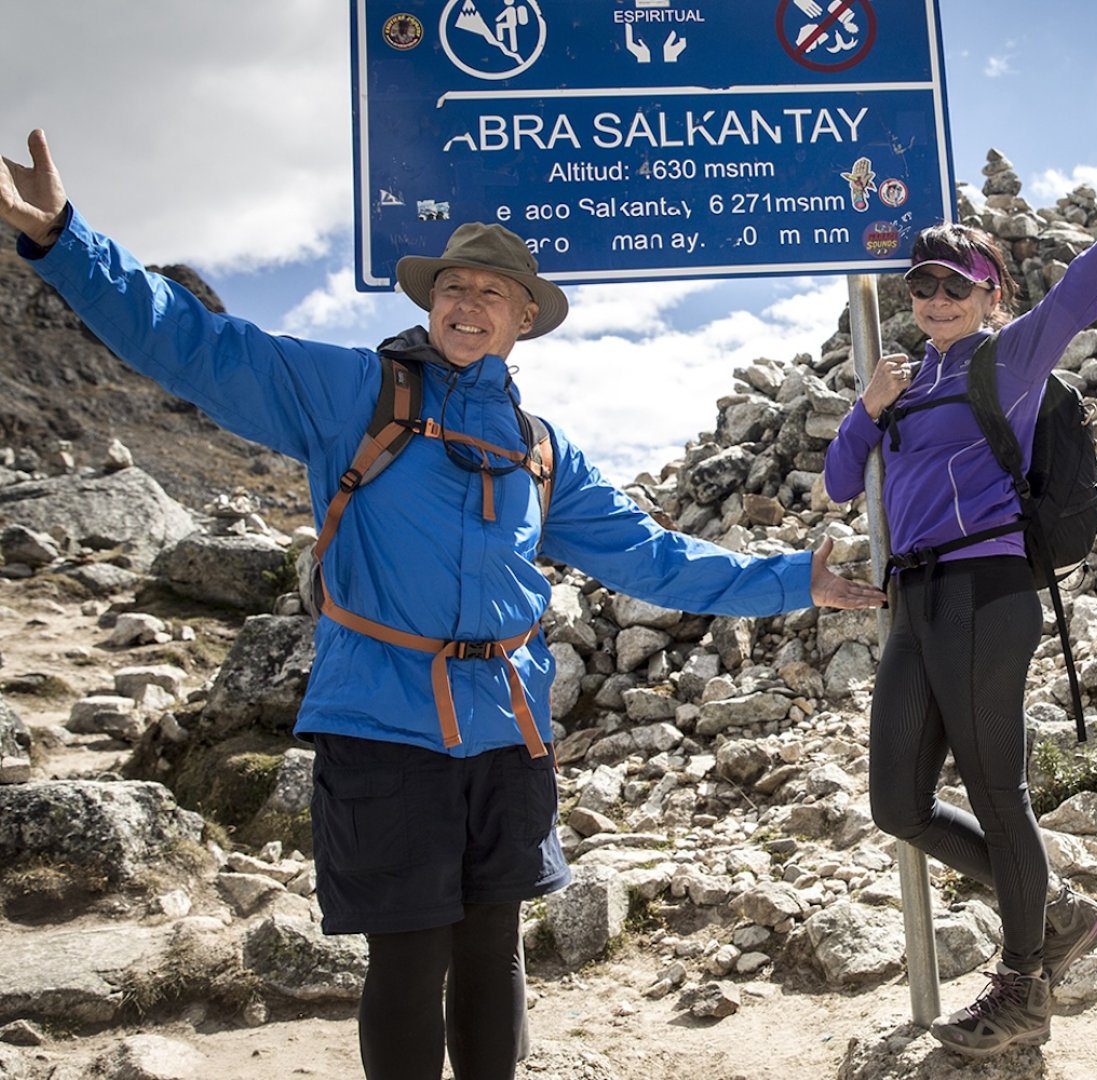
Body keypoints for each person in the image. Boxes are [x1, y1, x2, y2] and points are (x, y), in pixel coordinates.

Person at [0, 129, 885, 1080]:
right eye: (454, 289)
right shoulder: (353, 392)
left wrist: (798, 580)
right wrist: (64, 241)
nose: (469, 304)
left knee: (493, 946)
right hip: (384, 723)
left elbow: (651, 559)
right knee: (410, 955)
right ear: (431, 304)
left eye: (491, 293)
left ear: (521, 321)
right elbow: (195, 345)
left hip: (506, 728)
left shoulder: (540, 446)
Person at [822, 84, 1097, 1058]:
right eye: (922, 285)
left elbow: (1096, 277)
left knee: (998, 794)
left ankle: (1022, 986)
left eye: (955, 286)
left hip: (987, 592)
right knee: (896, 800)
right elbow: (844, 483)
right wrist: (867, 407)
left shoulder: (1009, 359)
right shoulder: (904, 381)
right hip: (916, 602)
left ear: (989, 296)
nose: (934, 299)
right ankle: (1051, 911)